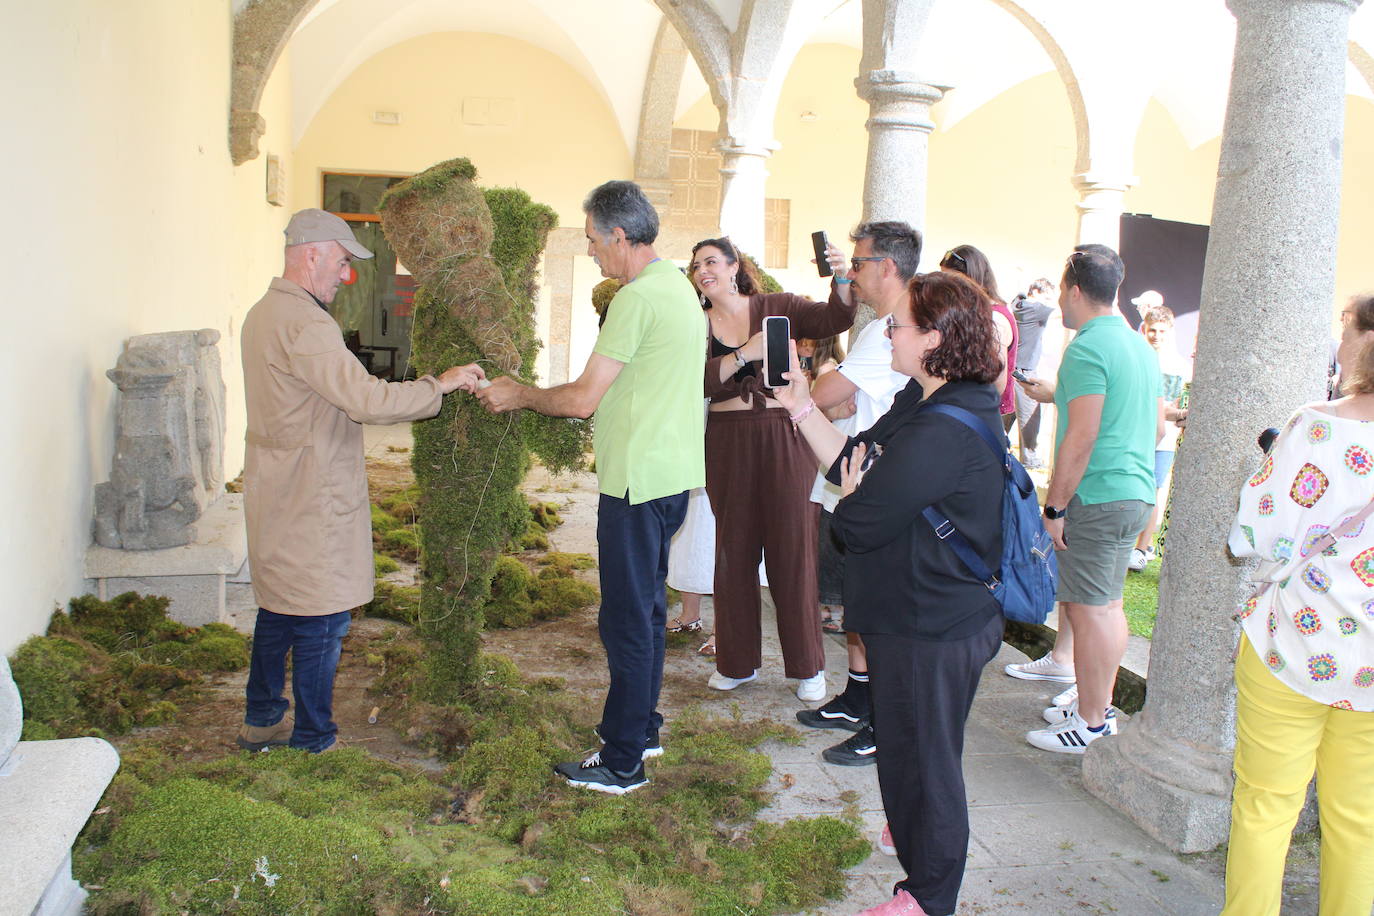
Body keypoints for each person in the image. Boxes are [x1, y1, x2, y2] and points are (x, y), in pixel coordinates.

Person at [775, 270, 1006, 916]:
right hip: (915, 612)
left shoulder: (945, 427)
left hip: (934, 621)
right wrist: (800, 405)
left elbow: (857, 519)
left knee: (926, 762)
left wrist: (856, 496)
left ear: (934, 338)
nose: (889, 334)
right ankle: (915, 837)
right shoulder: (923, 399)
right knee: (909, 748)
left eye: (899, 326)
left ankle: (929, 894)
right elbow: (852, 460)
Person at [477, 180, 705, 794]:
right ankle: (644, 727)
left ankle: (623, 760)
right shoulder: (678, 288)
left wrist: (517, 393)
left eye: (594, 241)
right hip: (668, 478)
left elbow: (580, 400)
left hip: (636, 481)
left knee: (628, 621)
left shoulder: (636, 299)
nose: (592, 253)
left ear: (621, 236)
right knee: (649, 613)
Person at [237, 208, 483, 755]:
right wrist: (437, 386)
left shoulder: (263, 313)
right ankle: (312, 738)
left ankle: (261, 718)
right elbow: (366, 399)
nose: (345, 275)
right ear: (312, 254)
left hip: (276, 488)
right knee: (321, 618)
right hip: (311, 494)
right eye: (342, 261)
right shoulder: (307, 324)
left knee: (278, 608)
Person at [1220, 291, 1374, 916]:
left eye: (1346, 328)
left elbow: (1249, 536)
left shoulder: (1315, 425)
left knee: (1264, 809)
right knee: (1359, 822)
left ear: (1367, 340)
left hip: (1295, 645)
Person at [692, 235, 855, 703]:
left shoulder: (777, 305)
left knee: (793, 550)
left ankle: (807, 667)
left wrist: (842, 279)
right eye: (696, 265)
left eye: (711, 261)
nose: (704, 270)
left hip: (785, 438)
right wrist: (746, 353)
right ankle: (736, 663)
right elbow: (696, 381)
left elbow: (833, 318)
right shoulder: (694, 323)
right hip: (727, 443)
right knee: (734, 551)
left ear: (733, 266)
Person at [1016, 245, 1163, 753]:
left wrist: (1053, 506)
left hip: (1098, 495)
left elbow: (1082, 436)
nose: (1060, 303)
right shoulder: (1137, 345)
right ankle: (1090, 703)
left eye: (1062, 292)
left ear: (1075, 291)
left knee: (1094, 610)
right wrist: (1057, 391)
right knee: (1103, 606)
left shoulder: (1086, 347)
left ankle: (1094, 722)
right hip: (1134, 493)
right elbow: (1146, 416)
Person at [800, 221, 922, 768]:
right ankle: (857, 695)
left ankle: (880, 716)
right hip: (851, 471)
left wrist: (818, 379)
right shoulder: (879, 325)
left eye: (859, 261)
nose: (852, 268)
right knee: (853, 604)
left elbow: (831, 393)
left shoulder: (894, 326)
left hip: (870, 482)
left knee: (871, 608)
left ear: (887, 267)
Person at [1128, 303, 1190, 571]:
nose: (1156, 336)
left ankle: (1142, 548)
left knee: (1150, 492)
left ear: (1171, 331)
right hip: (1133, 433)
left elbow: (1173, 408)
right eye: (1152, 330)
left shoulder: (1178, 365)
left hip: (1162, 441)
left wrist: (1166, 412)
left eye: (1162, 331)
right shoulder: (1136, 356)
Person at [939, 245, 1018, 422]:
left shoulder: (994, 318)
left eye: (953, 281)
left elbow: (996, 382)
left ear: (972, 279)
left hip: (986, 411)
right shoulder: (979, 312)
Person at [1010, 278, 1056, 467]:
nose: (1048, 302)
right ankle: (1030, 459)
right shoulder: (1036, 309)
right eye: (1046, 297)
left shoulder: (1017, 305)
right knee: (1030, 414)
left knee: (1007, 413)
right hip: (1024, 370)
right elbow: (1063, 312)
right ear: (1036, 293)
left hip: (1011, 368)